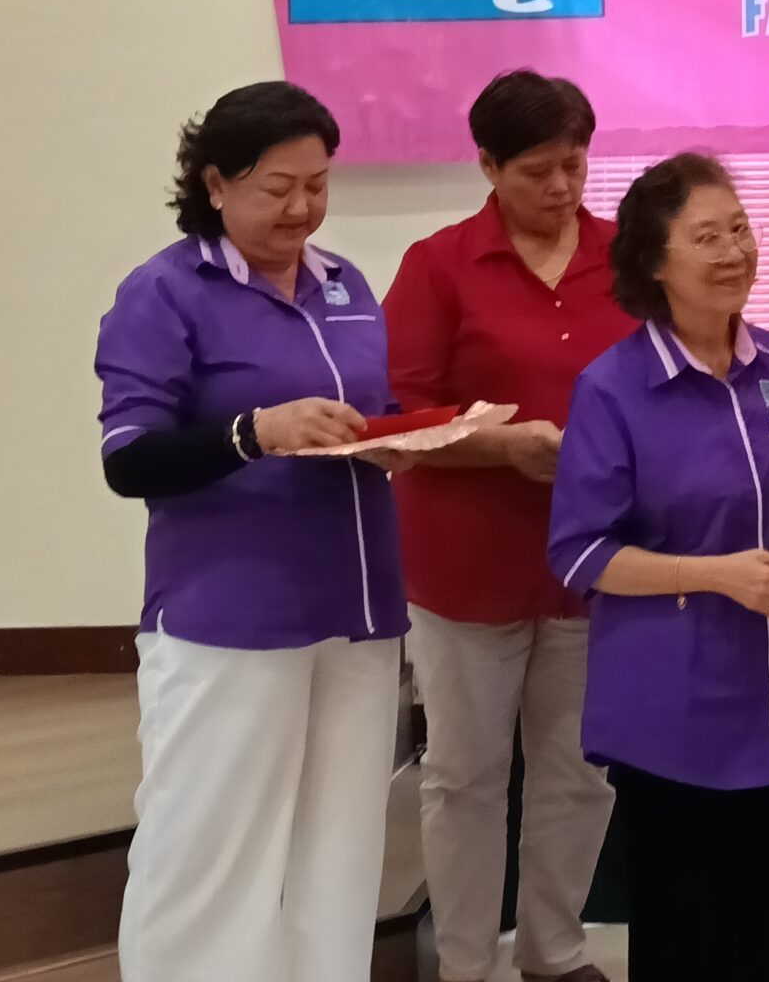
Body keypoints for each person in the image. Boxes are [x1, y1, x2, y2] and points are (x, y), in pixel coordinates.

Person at [95, 83, 408, 982]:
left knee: (339, 856)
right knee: (210, 855)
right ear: (216, 183)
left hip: (356, 610)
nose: (302, 207)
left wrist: (400, 442)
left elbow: (371, 413)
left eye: (318, 184)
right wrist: (254, 432)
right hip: (230, 617)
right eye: (279, 187)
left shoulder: (345, 284)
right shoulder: (164, 291)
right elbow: (129, 459)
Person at [547, 154, 769, 982]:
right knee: (679, 933)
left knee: (756, 923)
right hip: (668, 700)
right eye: (707, 237)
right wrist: (715, 575)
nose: (733, 252)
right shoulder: (613, 388)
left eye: (740, 229)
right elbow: (581, 552)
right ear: (653, 261)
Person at [383, 71, 633, 982]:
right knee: (465, 777)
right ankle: (464, 964)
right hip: (466, 565)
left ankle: (553, 951)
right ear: (487, 166)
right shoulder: (438, 265)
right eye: (537, 172)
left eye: (575, 164)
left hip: (596, 564)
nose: (562, 188)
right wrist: (502, 446)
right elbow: (395, 419)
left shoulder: (627, 257)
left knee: (579, 772)